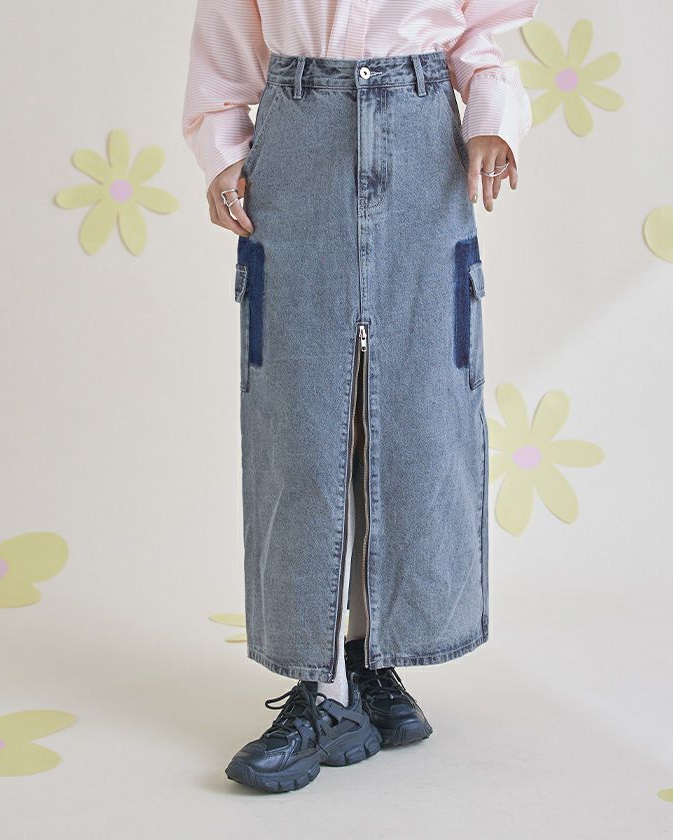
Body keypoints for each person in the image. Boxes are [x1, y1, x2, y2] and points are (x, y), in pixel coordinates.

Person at [182, 0, 538, 793]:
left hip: (424, 143)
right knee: (303, 416)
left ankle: (372, 658)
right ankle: (321, 689)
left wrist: (493, 120)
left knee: (419, 413)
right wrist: (222, 152)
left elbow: (480, 35)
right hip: (297, 140)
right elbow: (226, 41)